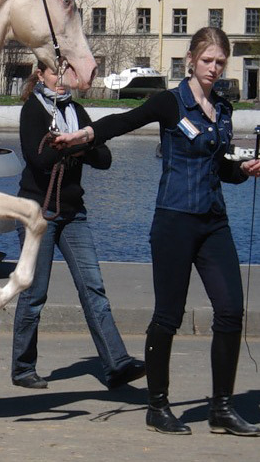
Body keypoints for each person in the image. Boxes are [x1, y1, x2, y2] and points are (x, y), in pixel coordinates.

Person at [53, 27, 260, 436]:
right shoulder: (170, 102)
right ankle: (158, 405)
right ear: (191, 60)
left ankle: (221, 407)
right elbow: (125, 120)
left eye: (220, 62)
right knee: (169, 315)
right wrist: (86, 135)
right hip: (174, 221)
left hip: (213, 221)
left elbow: (221, 169)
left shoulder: (223, 107)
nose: (214, 68)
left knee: (232, 311)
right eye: (207, 61)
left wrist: (243, 171)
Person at [11, 60, 146, 391]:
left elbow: (105, 159)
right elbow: (38, 160)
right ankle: (23, 367)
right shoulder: (32, 110)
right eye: (54, 72)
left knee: (93, 288)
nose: (61, 79)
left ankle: (116, 364)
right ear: (40, 75)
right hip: (37, 211)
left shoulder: (77, 112)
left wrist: (75, 143)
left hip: (74, 213)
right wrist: (71, 147)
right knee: (34, 292)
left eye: (65, 73)